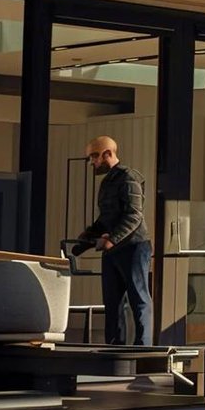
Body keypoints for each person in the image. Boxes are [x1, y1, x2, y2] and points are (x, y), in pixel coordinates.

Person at [77, 136, 153, 346]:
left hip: (134, 247)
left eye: (94, 156)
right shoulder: (107, 181)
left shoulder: (129, 178)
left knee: (139, 299)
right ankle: (114, 349)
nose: (92, 161)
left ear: (108, 153)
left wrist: (112, 240)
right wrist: (88, 235)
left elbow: (134, 216)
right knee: (112, 302)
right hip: (114, 249)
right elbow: (106, 217)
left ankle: (143, 351)